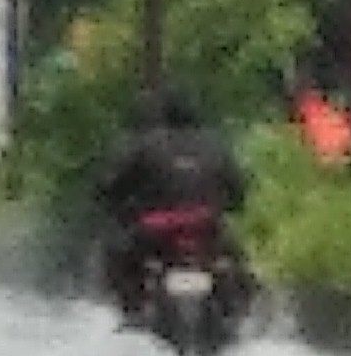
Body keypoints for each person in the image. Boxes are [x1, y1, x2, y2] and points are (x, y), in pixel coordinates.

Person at [94, 84, 250, 321]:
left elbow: (112, 185)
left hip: (155, 232)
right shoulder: (216, 147)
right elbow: (238, 190)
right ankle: (238, 314)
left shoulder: (145, 145)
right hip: (207, 229)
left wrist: (113, 204)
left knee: (117, 259)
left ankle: (132, 312)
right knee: (240, 264)